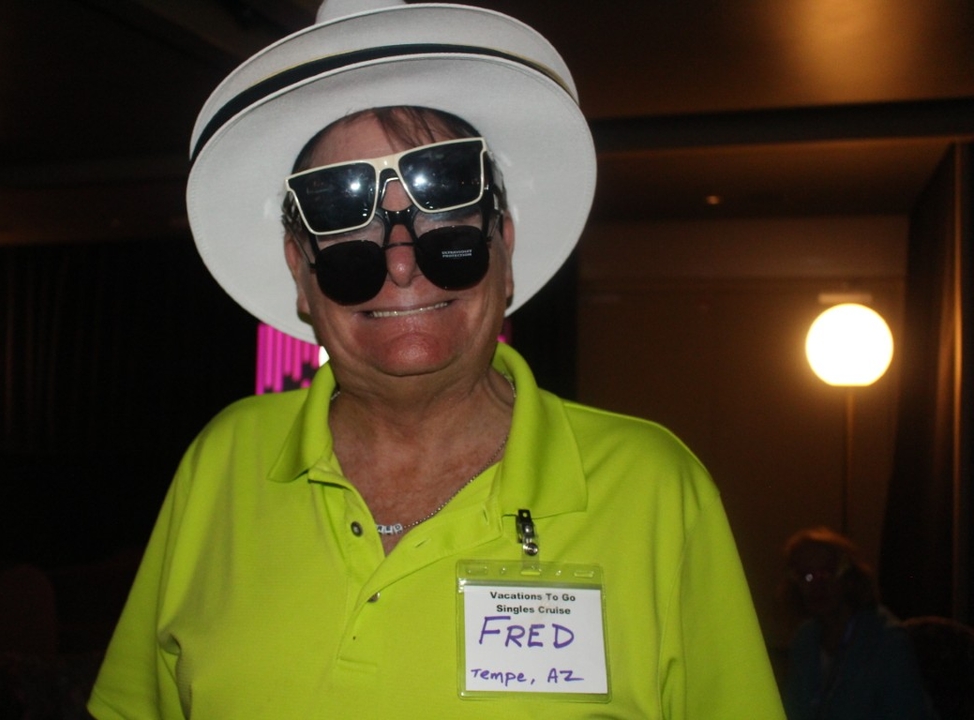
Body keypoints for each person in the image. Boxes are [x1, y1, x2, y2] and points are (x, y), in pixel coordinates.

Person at [87, 0, 784, 717]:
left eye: (444, 210)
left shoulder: (653, 489)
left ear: (503, 248)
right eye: (343, 217)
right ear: (301, 273)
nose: (400, 264)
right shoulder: (222, 464)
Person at [779, 526, 938, 720]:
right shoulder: (804, 639)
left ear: (849, 576)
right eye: (806, 576)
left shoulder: (887, 641)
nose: (817, 585)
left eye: (828, 573)